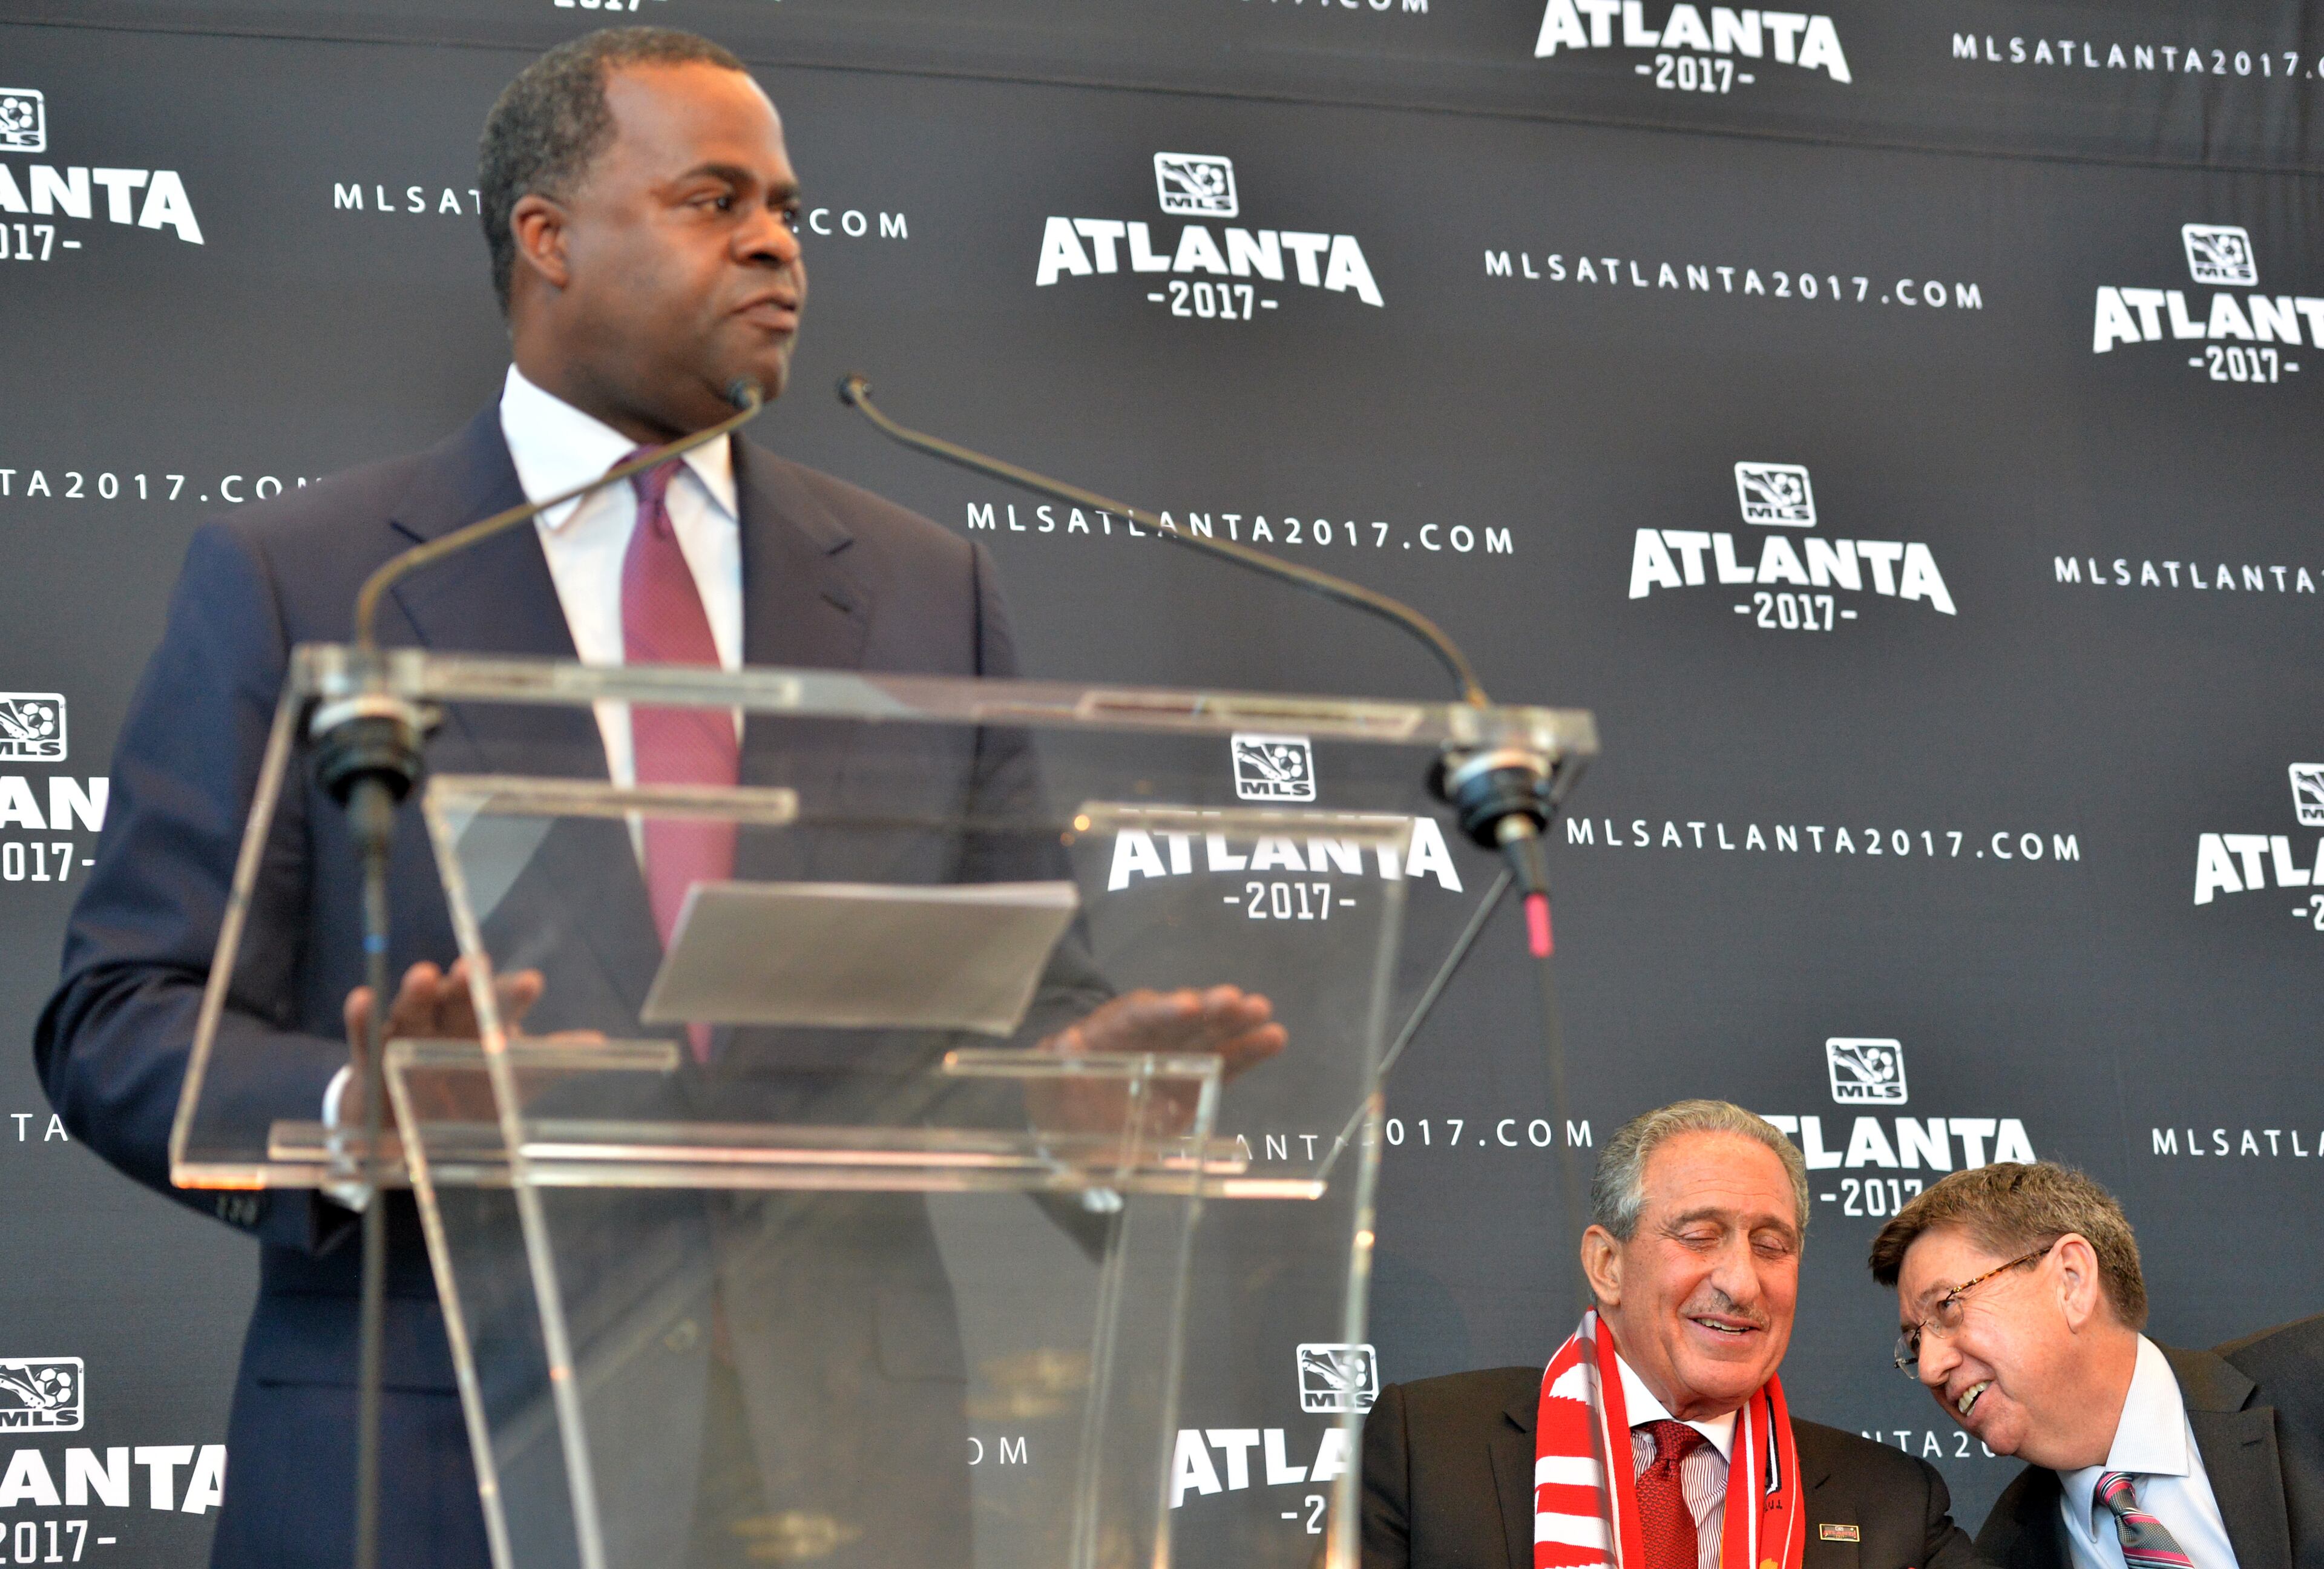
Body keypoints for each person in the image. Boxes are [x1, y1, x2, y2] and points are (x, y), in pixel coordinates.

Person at [34, 27, 1279, 1569]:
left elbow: (1027, 997)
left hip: (840, 1476)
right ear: (547, 238)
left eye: (786, 208)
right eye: (712, 199)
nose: (775, 241)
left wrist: (1078, 1094)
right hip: (437, 1461)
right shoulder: (309, 580)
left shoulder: (923, 588)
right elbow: (120, 1020)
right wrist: (363, 1115)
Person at [1362, 1099, 1984, 1569]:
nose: (1741, 1282)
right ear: (1608, 1265)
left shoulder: (1891, 1501)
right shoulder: (1430, 1445)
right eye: (1700, 1237)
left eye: (1772, 1245)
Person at [1868, 1162, 2324, 1569]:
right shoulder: (2002, 1554)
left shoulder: (2312, 1376)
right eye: (1916, 1342)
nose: (1930, 1368)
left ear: (2071, 1281)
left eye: (1947, 1307)